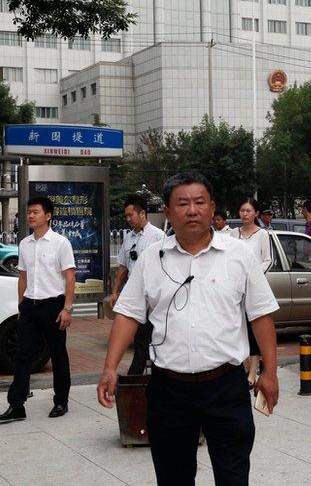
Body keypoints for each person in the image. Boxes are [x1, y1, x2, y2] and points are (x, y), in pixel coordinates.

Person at [97, 172, 280, 486]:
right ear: (168, 213)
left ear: (212, 208)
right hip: (169, 391)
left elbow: (261, 316)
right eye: (182, 203)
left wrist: (271, 371)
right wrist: (110, 367)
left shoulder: (239, 256)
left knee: (234, 477)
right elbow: (127, 315)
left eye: (199, 202)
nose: (192, 210)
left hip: (226, 388)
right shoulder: (152, 260)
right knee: (173, 478)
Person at [0, 196, 75, 422]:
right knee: (22, 355)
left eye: (35, 212)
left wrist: (67, 308)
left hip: (54, 305)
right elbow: (23, 276)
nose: (30, 215)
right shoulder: (24, 244)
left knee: (58, 355)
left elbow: (70, 277)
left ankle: (61, 401)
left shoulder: (61, 243)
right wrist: (21, 305)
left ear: (48, 216)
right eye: (28, 212)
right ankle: (16, 405)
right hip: (30, 305)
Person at [110, 194, 166, 375]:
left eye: (130, 215)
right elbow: (123, 267)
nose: (128, 219)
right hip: (136, 298)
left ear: (142, 213)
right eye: (126, 216)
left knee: (151, 342)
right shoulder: (128, 238)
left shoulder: (159, 237)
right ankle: (136, 379)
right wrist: (115, 291)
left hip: (155, 299)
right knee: (140, 341)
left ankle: (138, 377)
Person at [230, 197, 273, 385]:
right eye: (242, 210)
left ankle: (253, 371)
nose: (245, 214)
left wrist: (254, 274)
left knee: (254, 327)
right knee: (238, 327)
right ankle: (244, 365)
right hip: (235, 288)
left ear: (256, 214)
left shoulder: (262, 234)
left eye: (248, 211)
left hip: (254, 287)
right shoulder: (232, 234)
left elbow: (268, 259)